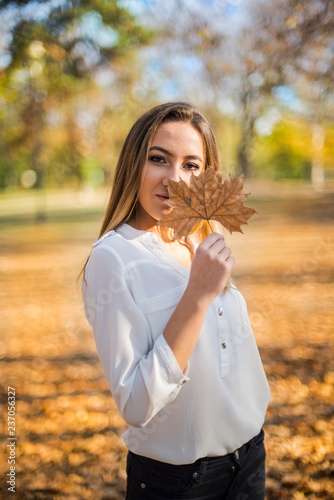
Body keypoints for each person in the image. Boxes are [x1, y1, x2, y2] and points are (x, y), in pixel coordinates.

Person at [82, 102, 270, 499]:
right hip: (180, 483)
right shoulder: (113, 259)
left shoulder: (200, 239)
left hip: (249, 459)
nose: (175, 179)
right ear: (135, 163)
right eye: (159, 159)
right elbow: (135, 403)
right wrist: (197, 296)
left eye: (191, 166)